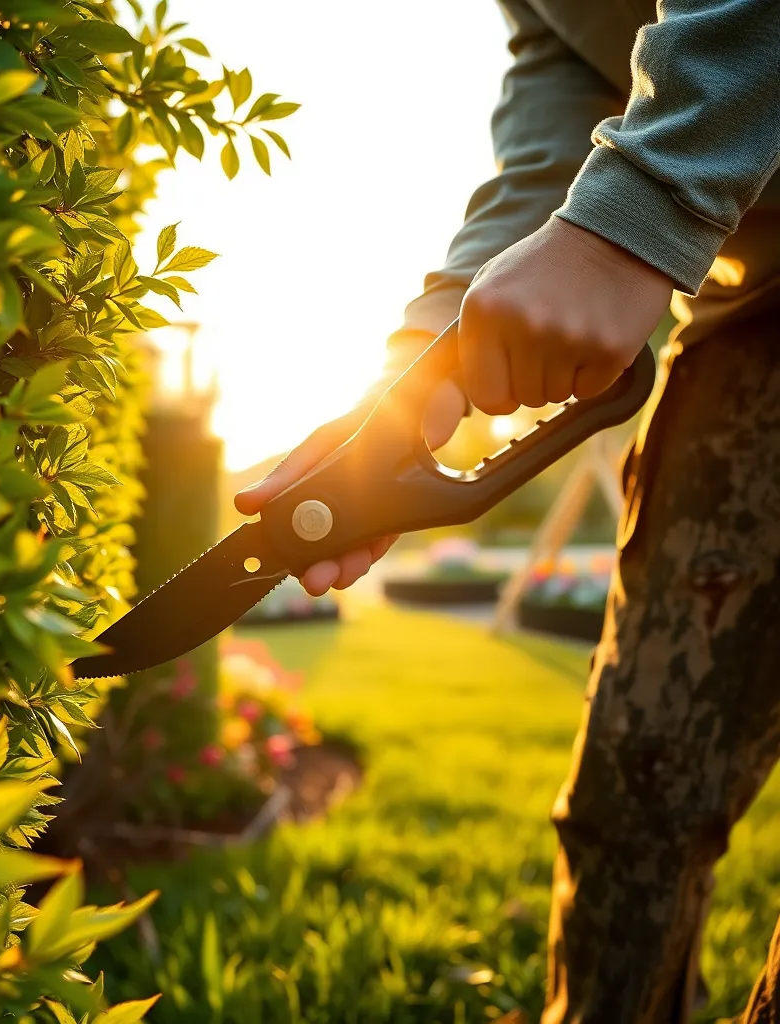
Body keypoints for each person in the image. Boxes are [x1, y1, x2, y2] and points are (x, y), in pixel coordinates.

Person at [236, 1, 780, 1021]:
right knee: (639, 780)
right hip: (754, 303)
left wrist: (642, 212)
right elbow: (563, 66)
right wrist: (414, 378)